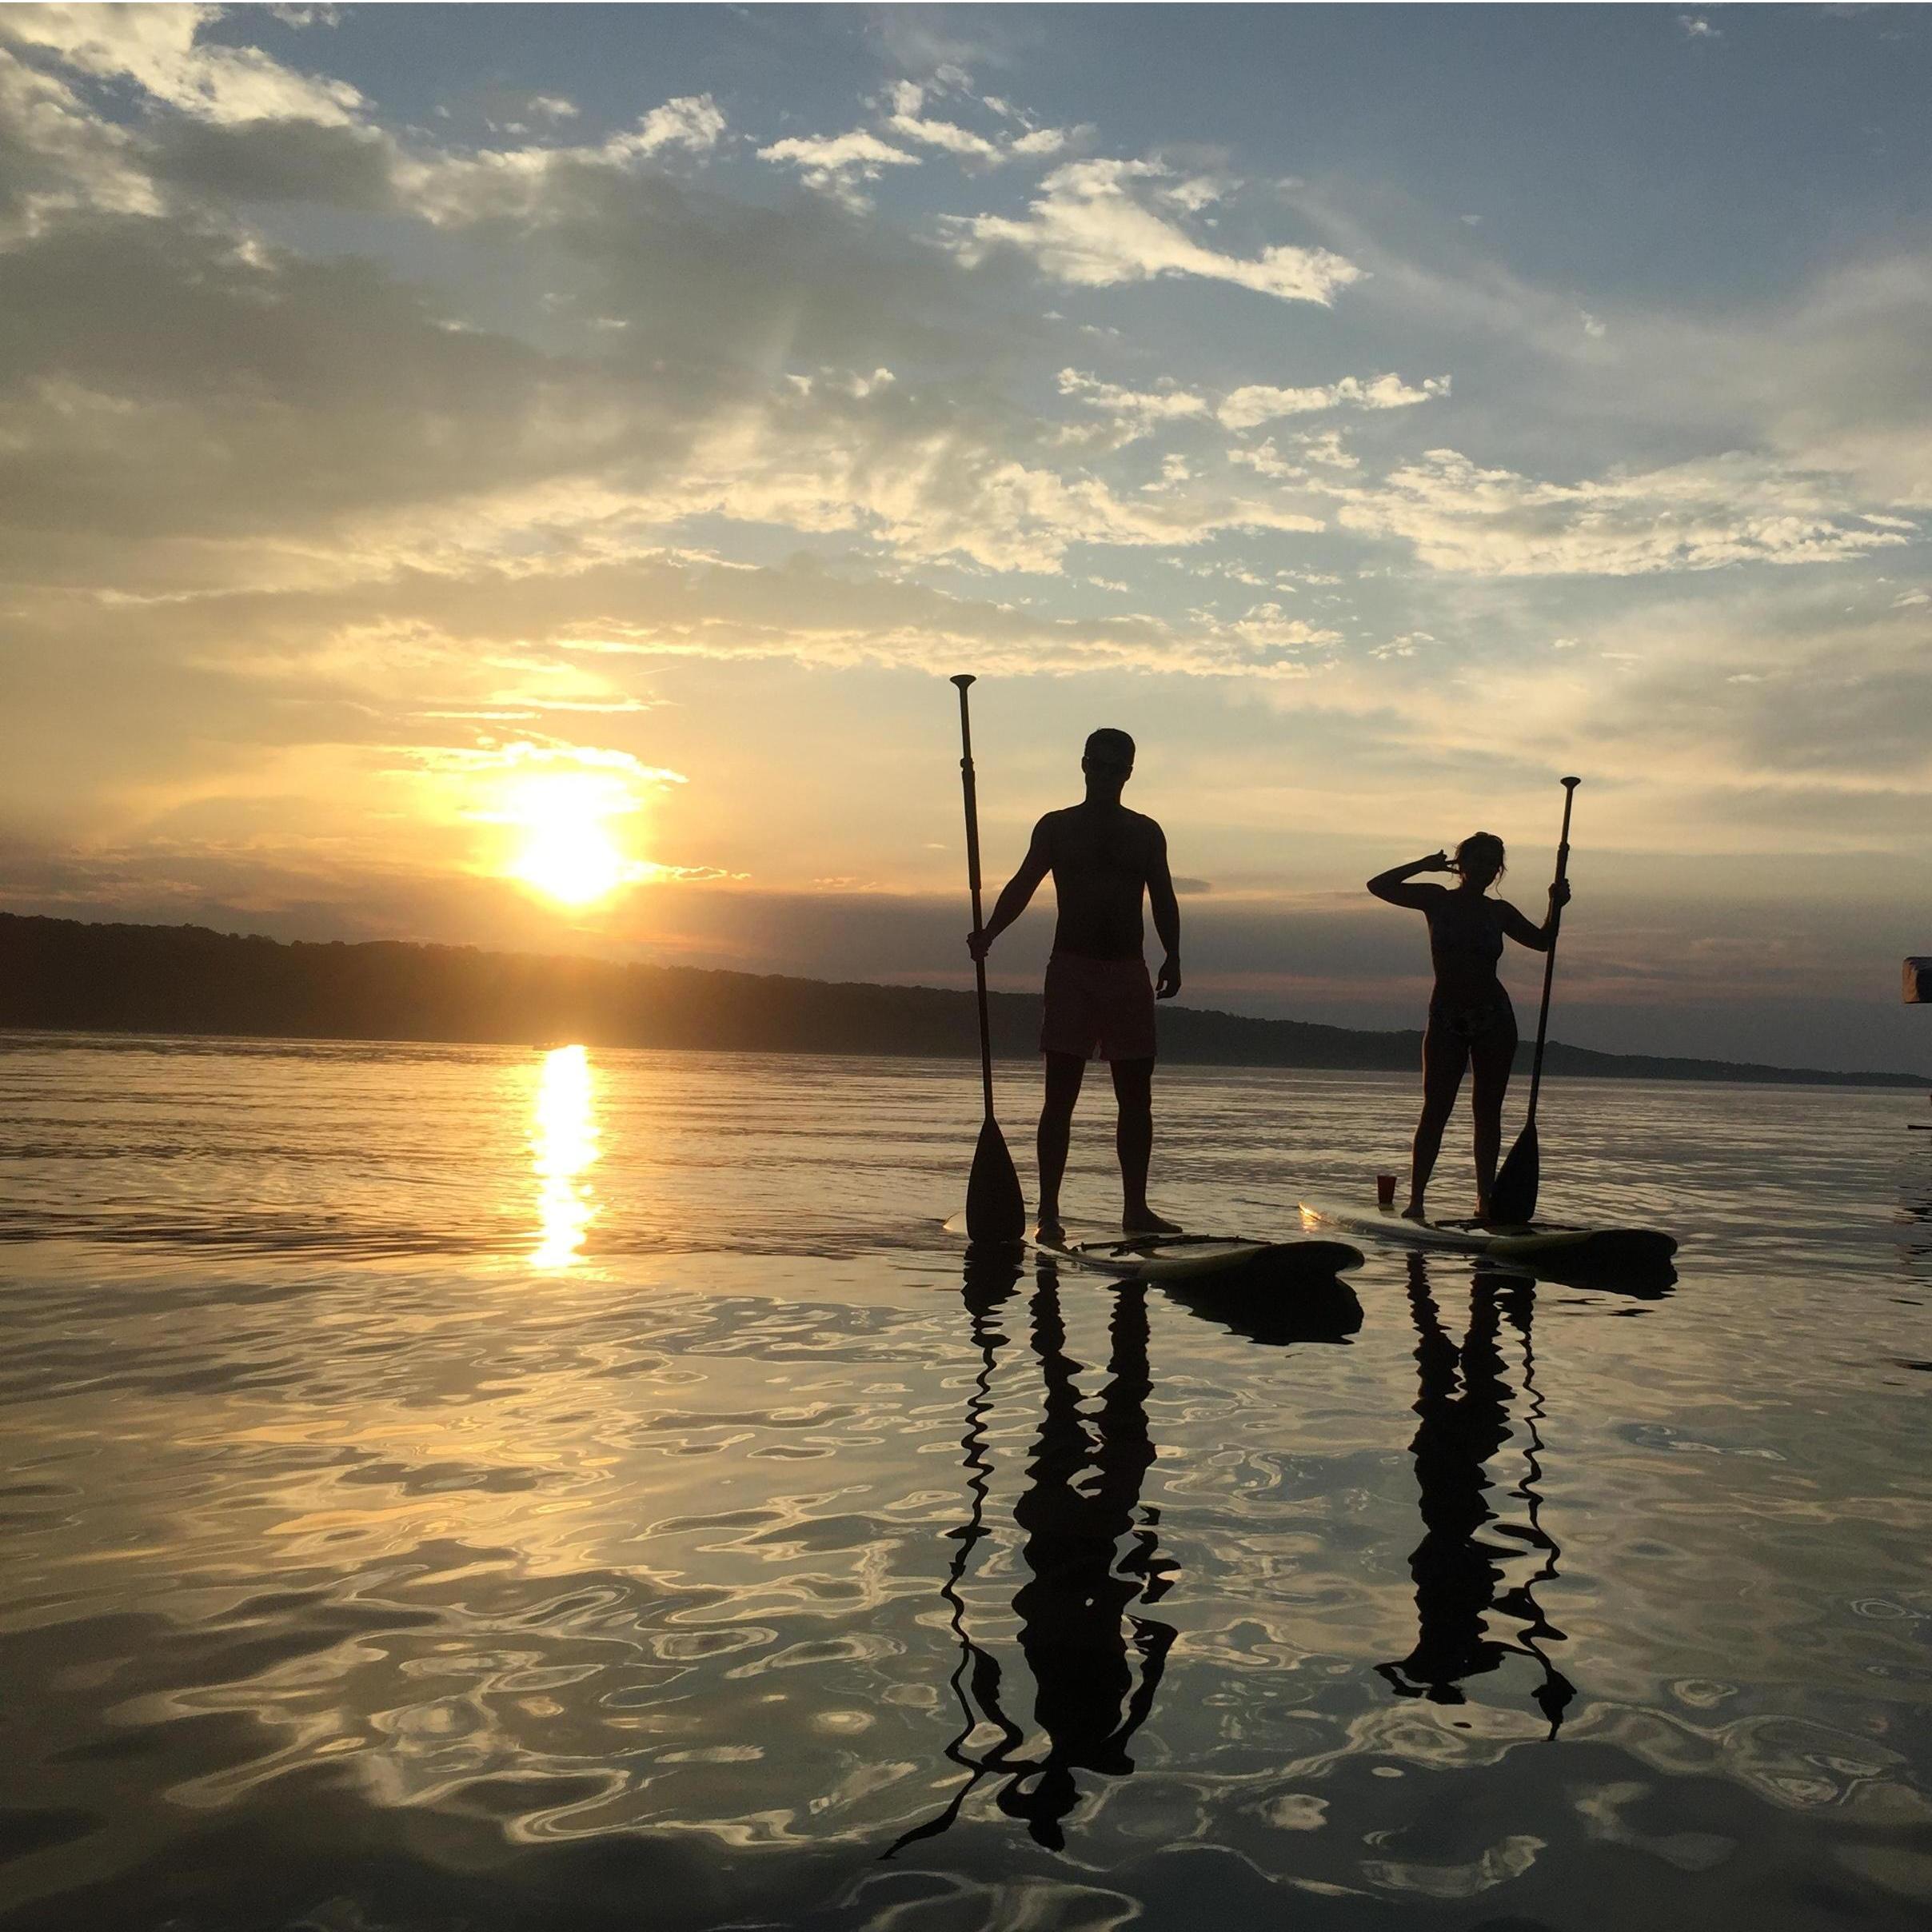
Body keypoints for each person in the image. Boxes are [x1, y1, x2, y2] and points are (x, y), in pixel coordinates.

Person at [968, 728, 1181, 1240]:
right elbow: (1023, 883)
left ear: (1129, 772)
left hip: (1129, 971)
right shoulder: (1057, 828)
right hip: (1072, 971)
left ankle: (1135, 1209)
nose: (1105, 775)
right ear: (1083, 765)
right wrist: (991, 932)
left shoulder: (1146, 833)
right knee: (1059, 1098)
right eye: (1097, 765)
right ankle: (1049, 1213)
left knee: (1137, 1099)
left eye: (1116, 767)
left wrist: (1174, 954)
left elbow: (1164, 898)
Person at [1367, 833, 1570, 1222]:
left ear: (1499, 869)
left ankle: (1484, 1200)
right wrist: (1423, 865)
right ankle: (1417, 1201)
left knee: (1487, 1112)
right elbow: (1379, 886)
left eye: (1493, 862)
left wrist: (1555, 904)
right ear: (1461, 864)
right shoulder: (1436, 899)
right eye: (1477, 860)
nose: (1485, 868)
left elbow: (1543, 942)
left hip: (1494, 1018)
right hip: (1446, 1016)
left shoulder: (1500, 912)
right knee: (1435, 1110)